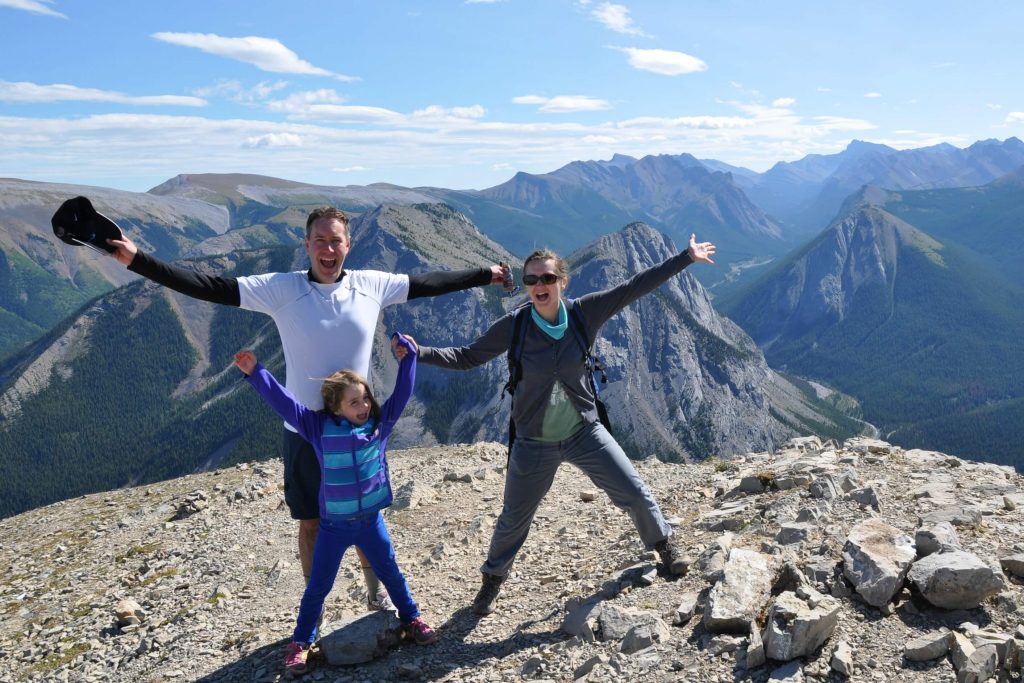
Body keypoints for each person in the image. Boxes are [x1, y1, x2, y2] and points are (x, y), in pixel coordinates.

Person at [108, 206, 511, 611]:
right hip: (304, 430)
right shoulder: (281, 288)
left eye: (336, 240)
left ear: (348, 245)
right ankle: (314, 606)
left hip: (357, 427)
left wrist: (485, 275)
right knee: (311, 520)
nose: (328, 248)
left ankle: (377, 595)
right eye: (320, 240)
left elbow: (429, 283)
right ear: (306, 244)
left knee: (364, 516)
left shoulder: (372, 285)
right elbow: (211, 286)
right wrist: (137, 259)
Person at [410, 233, 716, 615]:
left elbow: (635, 286)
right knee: (513, 518)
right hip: (532, 440)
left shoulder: (585, 313)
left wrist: (684, 258)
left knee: (634, 492)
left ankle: (665, 546)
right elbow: (469, 356)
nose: (539, 285)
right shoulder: (516, 326)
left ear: (562, 281)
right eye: (532, 280)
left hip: (584, 431)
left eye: (547, 278)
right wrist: (419, 352)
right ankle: (492, 580)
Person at [234, 333, 437, 675]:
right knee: (319, 586)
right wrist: (257, 374)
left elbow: (402, 395)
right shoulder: (317, 427)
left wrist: (409, 359)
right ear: (336, 407)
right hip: (333, 527)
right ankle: (300, 642)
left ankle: (412, 618)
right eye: (354, 402)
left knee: (392, 573)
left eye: (365, 399)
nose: (364, 407)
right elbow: (285, 403)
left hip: (371, 522)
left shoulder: (379, 426)